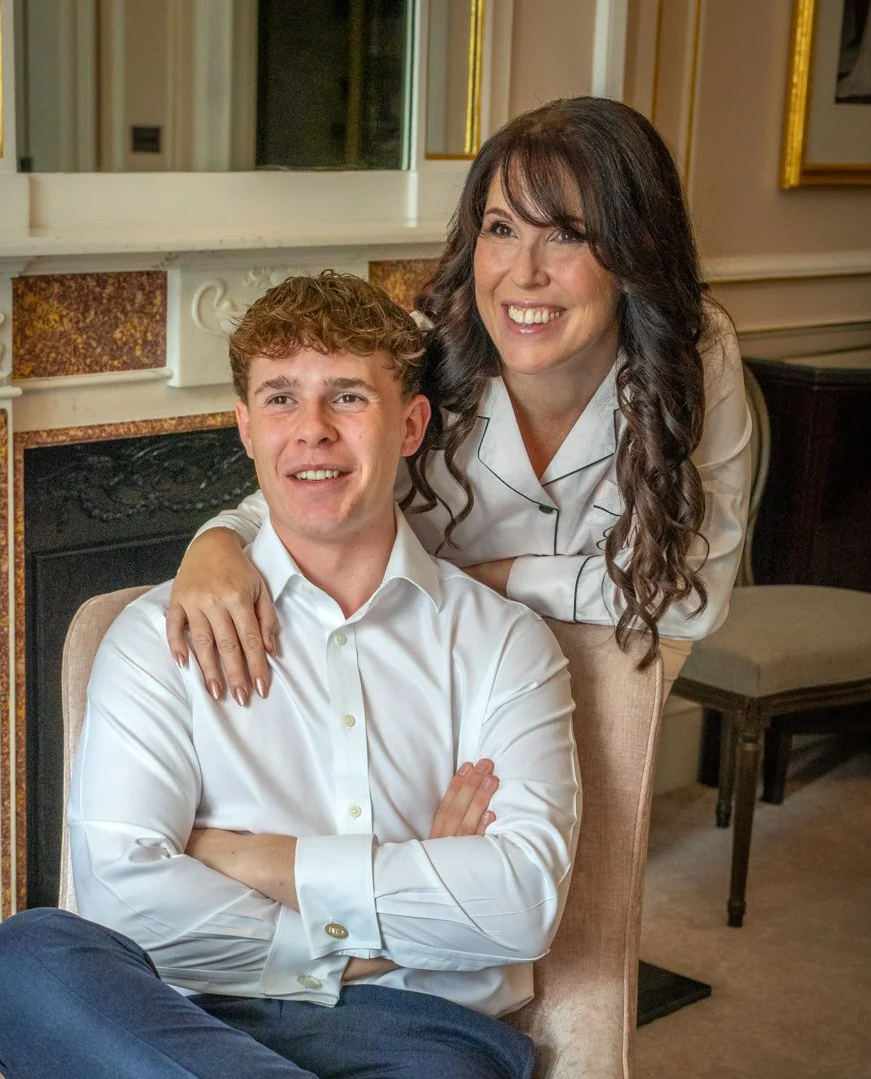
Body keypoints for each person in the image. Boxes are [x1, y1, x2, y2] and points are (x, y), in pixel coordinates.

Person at [0, 273, 700, 1079]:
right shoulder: (151, 639)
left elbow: (517, 904)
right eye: (280, 397)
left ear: (408, 424)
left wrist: (241, 856)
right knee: (24, 960)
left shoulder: (501, 647)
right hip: (179, 1048)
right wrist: (370, 932)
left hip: (421, 1048)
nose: (311, 430)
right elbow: (120, 900)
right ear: (246, 426)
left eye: (347, 398)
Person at [164, 97, 752, 702]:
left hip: (614, 670)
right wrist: (214, 543)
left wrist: (489, 581)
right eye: (501, 229)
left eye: (568, 235)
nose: (524, 273)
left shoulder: (694, 353)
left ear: (636, 251)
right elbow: (311, 483)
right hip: (416, 668)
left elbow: (690, 596)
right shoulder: (425, 352)